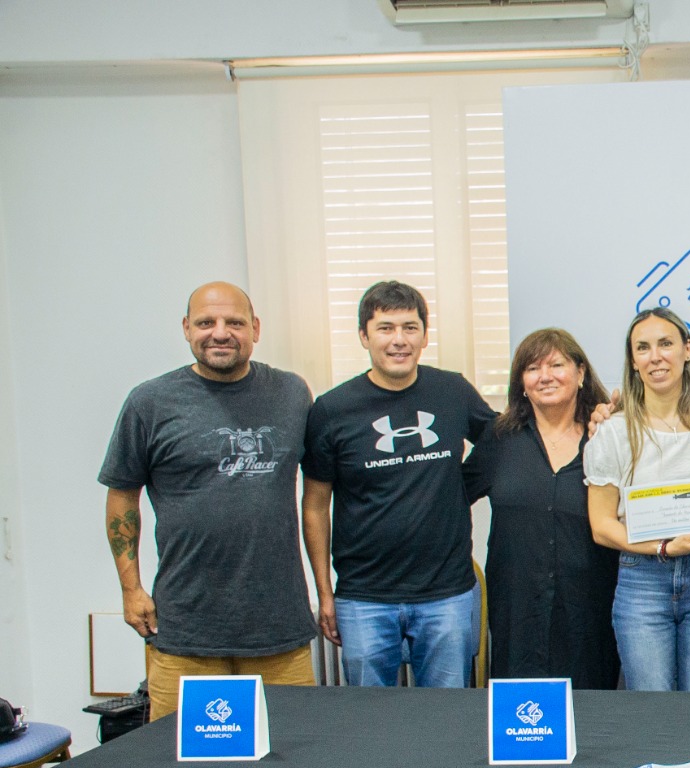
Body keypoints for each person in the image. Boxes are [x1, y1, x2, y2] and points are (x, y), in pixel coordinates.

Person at [99, 282, 316, 718]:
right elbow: (122, 496)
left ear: (255, 328)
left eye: (234, 322)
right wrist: (131, 590)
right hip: (186, 627)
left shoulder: (292, 394)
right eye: (205, 322)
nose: (220, 332)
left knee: (293, 751)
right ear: (186, 328)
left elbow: (320, 491)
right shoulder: (150, 402)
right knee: (182, 754)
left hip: (278, 627)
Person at [302, 280, 495, 687]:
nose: (399, 340)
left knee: (447, 715)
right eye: (385, 328)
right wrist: (325, 593)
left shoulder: (453, 391)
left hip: (447, 593)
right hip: (364, 597)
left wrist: (461, 488)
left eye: (410, 327)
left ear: (425, 334)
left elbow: (503, 442)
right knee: (371, 717)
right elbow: (316, 505)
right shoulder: (332, 409)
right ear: (363, 336)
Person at [585, 308, 690, 691]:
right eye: (643, 348)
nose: (655, 357)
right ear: (633, 361)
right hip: (643, 579)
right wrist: (665, 548)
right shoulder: (613, 431)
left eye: (665, 344)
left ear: (687, 350)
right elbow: (602, 526)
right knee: (652, 708)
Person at [463, 329, 619, 687]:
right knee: (520, 708)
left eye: (557, 365)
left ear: (581, 373)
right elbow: (451, 501)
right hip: (517, 609)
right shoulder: (499, 439)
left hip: (591, 607)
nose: (545, 376)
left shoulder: (607, 435)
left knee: (591, 705)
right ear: (522, 383)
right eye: (533, 368)